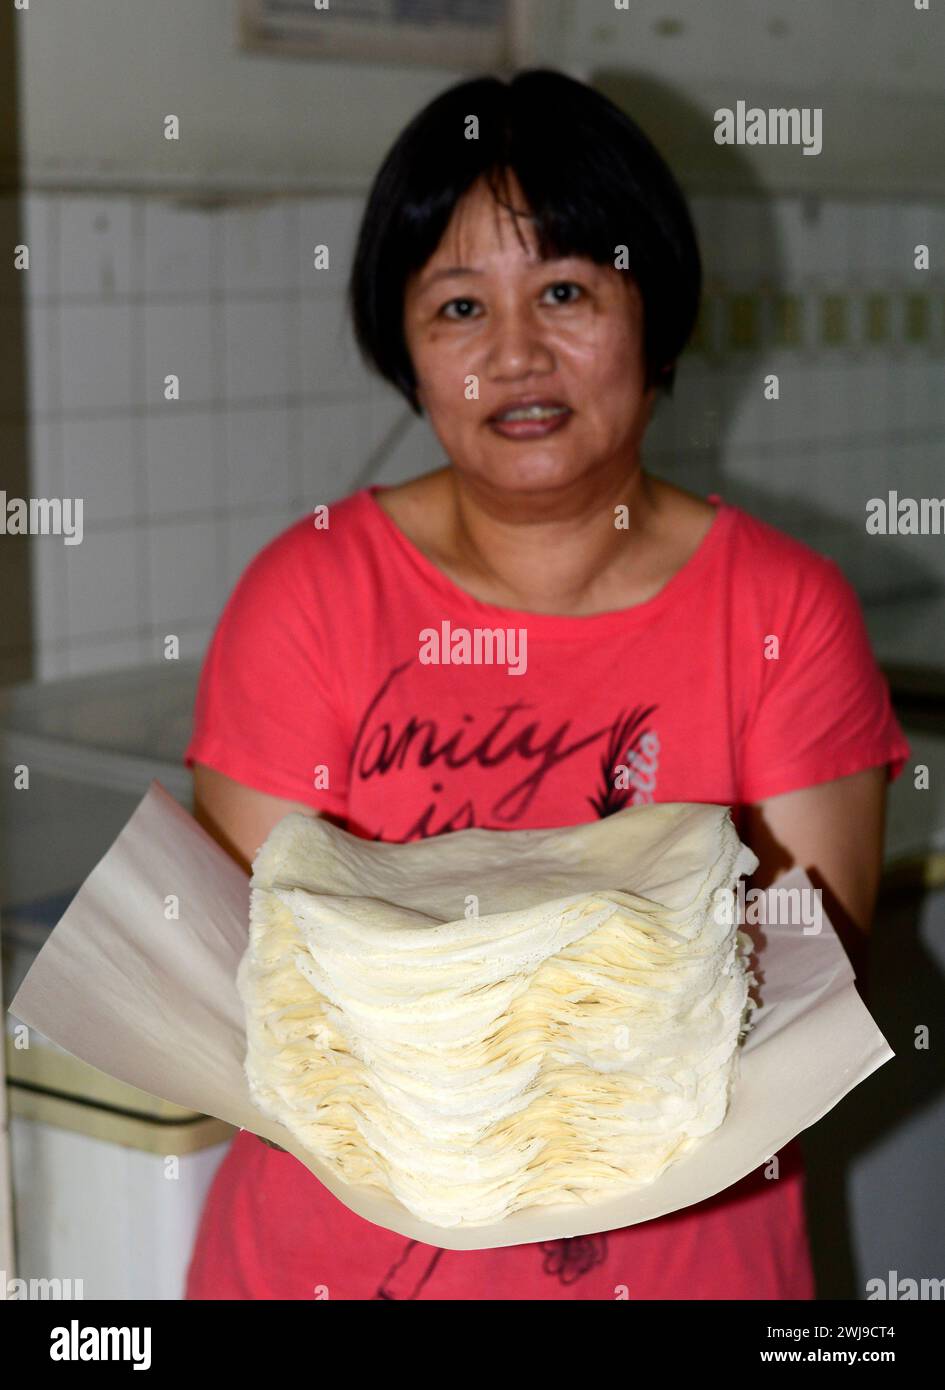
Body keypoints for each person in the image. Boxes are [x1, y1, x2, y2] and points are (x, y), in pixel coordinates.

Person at [183, 69, 910, 1300]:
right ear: (404, 347)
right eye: (459, 305)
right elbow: (264, 1000)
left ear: (653, 312)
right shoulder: (307, 596)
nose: (515, 354)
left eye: (565, 289)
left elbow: (800, 989)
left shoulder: (783, 613)